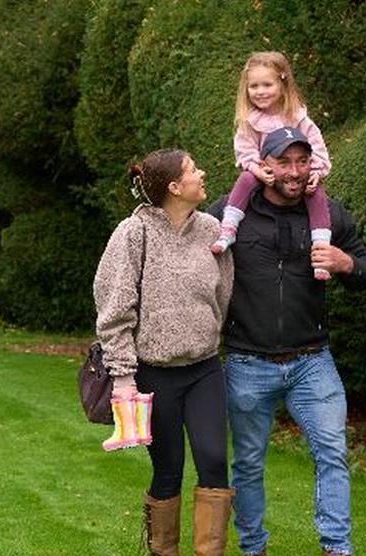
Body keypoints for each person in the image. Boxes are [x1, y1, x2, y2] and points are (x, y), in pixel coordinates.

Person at [208, 127, 366, 556]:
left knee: (333, 453)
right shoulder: (231, 211)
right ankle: (253, 548)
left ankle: (336, 548)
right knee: (247, 463)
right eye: (284, 162)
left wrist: (346, 262)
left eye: (302, 161)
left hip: (312, 361)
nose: (295, 171)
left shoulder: (329, 215)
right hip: (247, 362)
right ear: (265, 165)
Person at [94, 148, 235, 556]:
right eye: (194, 170)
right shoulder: (132, 234)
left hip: (205, 369)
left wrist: (206, 333)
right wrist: (123, 376)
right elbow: (114, 306)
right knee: (168, 470)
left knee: (213, 460)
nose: (202, 173)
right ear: (175, 187)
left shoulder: (212, 230)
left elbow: (223, 293)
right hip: (155, 376)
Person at [211, 51, 334, 282]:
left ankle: (320, 251)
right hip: (264, 174)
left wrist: (316, 172)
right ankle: (228, 229)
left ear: (282, 83)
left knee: (316, 195)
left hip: (297, 177)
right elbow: (245, 153)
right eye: (254, 86)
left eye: (267, 84)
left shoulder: (298, 118)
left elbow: (317, 149)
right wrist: (258, 169)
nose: (260, 91)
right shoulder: (250, 121)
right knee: (246, 179)